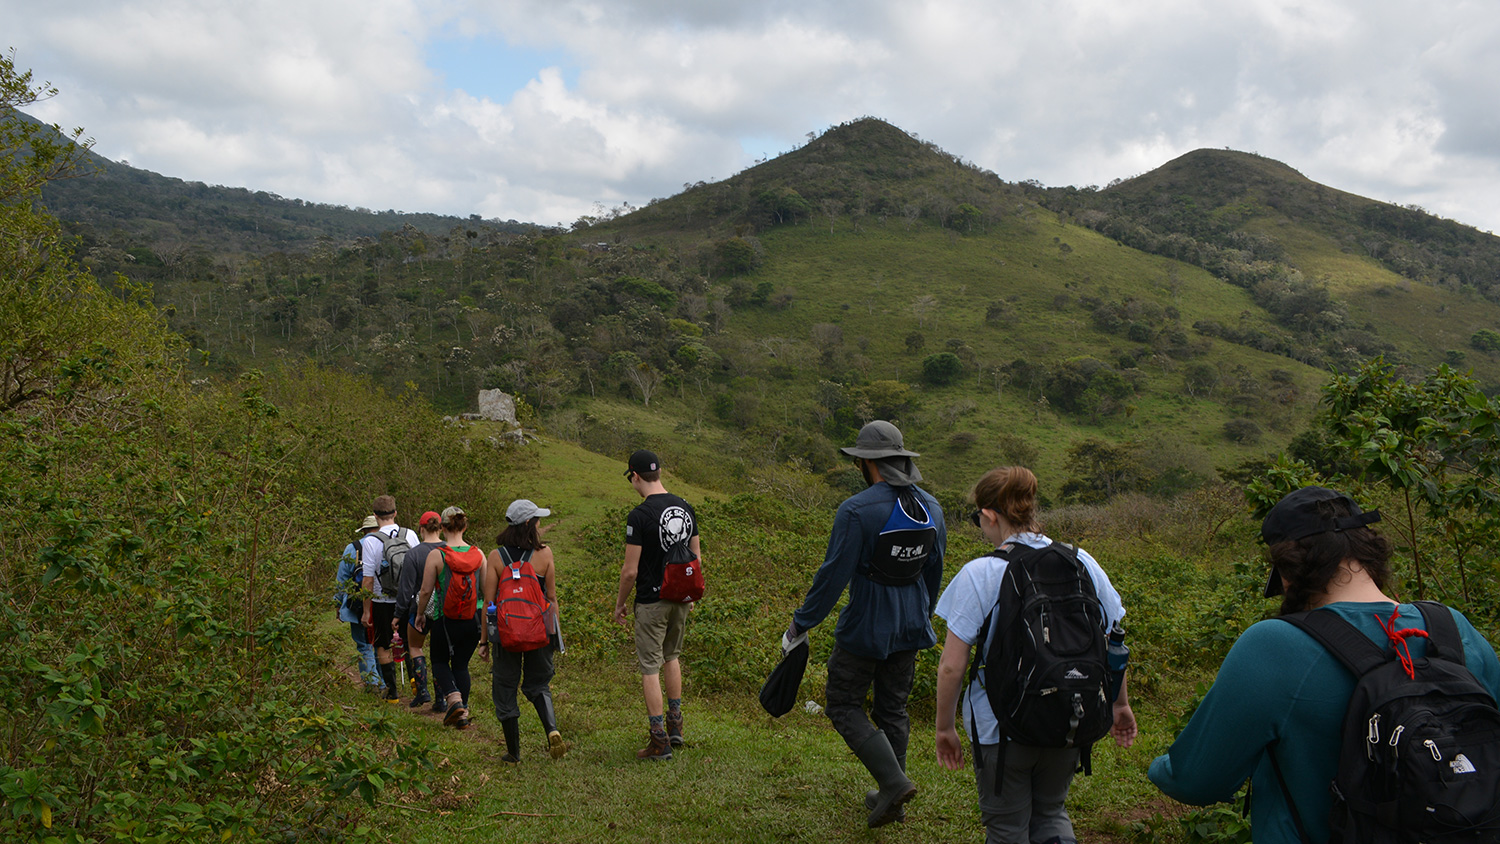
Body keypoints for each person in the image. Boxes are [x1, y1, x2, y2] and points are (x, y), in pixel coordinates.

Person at [1148, 486, 1500, 844]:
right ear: (1371, 552)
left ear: (1287, 572)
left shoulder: (1273, 644)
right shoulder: (1454, 627)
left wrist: (1157, 766)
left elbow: (1195, 782)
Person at [933, 466, 1136, 844]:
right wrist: (1119, 704)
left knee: (1008, 827)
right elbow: (1114, 642)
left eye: (979, 517)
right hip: (1069, 716)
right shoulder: (1082, 562)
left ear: (990, 514)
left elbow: (951, 665)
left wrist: (945, 728)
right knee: (1051, 812)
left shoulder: (980, 573)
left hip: (1000, 727)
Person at [783, 420, 946, 828]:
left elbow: (833, 575)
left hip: (865, 626)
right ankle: (895, 797)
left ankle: (892, 782)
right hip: (911, 624)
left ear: (867, 464)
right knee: (893, 709)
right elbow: (934, 571)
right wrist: (921, 617)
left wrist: (801, 623)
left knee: (842, 704)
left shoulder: (857, 510)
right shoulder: (933, 508)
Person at [614, 449, 700, 761]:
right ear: (659, 472)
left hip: (651, 600)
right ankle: (676, 726)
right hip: (681, 597)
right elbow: (696, 558)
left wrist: (620, 605)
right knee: (671, 656)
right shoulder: (686, 507)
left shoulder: (639, 515)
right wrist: (689, 596)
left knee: (650, 667)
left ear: (634, 476)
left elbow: (630, 570)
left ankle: (659, 739)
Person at [482, 499, 566, 762]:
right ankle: (551, 729)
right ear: (529, 524)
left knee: (505, 687)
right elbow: (551, 599)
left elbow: (489, 602)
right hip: (539, 631)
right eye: (537, 520)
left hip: (506, 636)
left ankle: (514, 753)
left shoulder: (496, 557)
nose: (540, 524)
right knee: (538, 684)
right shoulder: (545, 554)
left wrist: (485, 639)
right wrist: (555, 636)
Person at [415, 505, 485, 729]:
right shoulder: (478, 554)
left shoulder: (437, 555)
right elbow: (485, 589)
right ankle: (462, 715)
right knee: (461, 665)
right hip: (472, 620)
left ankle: (454, 700)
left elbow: (426, 591)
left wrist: (420, 614)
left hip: (444, 620)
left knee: (438, 661)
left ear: (443, 528)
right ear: (465, 526)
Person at [359, 495, 419, 702]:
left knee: (383, 645)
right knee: (412, 643)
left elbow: (367, 580)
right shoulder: (410, 535)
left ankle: (392, 693)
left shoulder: (370, 541)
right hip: (408, 599)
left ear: (375, 516)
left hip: (381, 601)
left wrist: (366, 611)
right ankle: (417, 686)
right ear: (395, 513)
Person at [395, 510, 444, 712]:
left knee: (415, 648)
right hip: (444, 608)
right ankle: (441, 698)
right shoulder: (449, 550)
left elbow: (405, 589)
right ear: (441, 528)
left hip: (420, 609)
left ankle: (422, 690)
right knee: (440, 655)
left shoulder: (413, 554)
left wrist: (398, 614)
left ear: (421, 529)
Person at [337, 514, 381, 691]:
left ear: (363, 531)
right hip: (383, 602)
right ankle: (385, 682)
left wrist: (339, 604)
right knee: (381, 643)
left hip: (357, 604)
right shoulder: (386, 545)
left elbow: (342, 579)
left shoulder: (352, 548)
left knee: (364, 644)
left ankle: (372, 683)